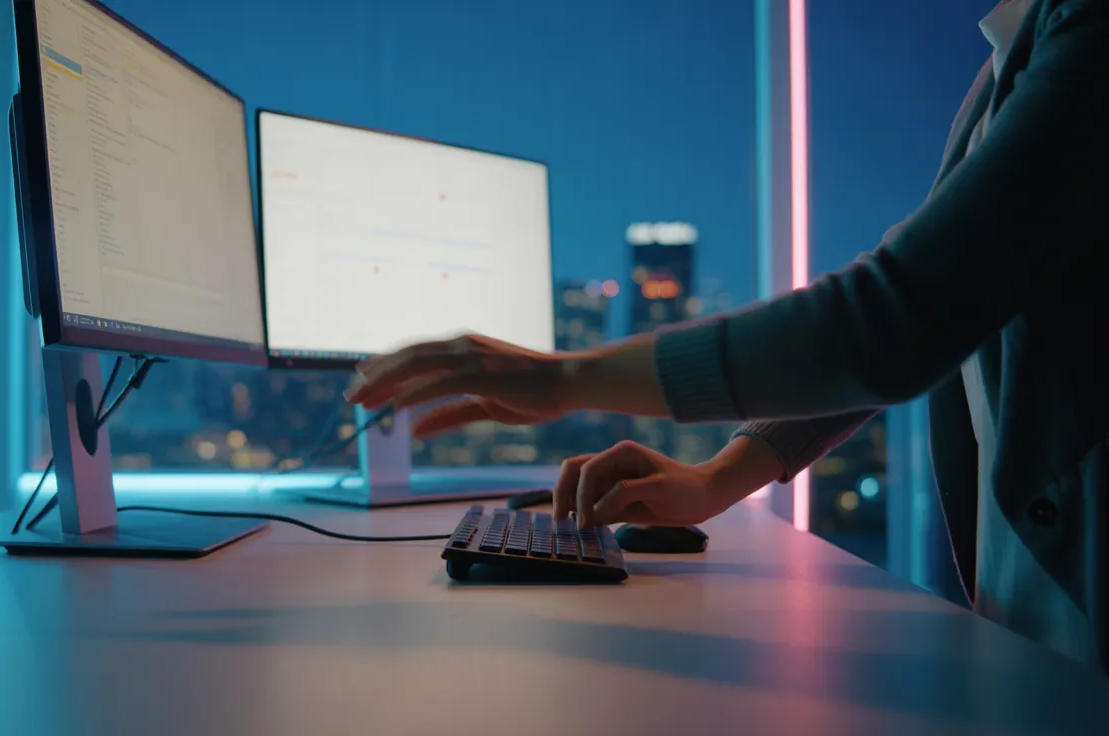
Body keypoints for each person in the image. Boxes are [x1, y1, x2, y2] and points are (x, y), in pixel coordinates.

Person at [345, 0, 1108, 673]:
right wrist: (716, 479)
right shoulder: (1009, 59)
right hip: (1040, 622)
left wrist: (561, 379)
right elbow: (942, 298)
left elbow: (895, 321)